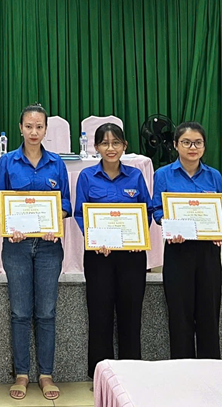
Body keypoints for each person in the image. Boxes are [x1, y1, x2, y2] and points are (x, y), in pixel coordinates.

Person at [0, 104, 71, 401]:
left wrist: (55, 220)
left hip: (49, 246)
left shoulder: (57, 163)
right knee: (20, 312)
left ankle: (46, 373)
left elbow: (66, 203)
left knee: (47, 312)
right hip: (17, 245)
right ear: (20, 128)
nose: (34, 132)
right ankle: (22, 373)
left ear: (46, 130)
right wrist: (10, 224)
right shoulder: (6, 162)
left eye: (39, 127)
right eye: (28, 126)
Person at [73, 123, 150, 379]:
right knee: (100, 315)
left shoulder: (135, 176)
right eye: (105, 143)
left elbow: (146, 211)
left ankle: (131, 374)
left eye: (116, 143)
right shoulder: (87, 177)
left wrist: (136, 236)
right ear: (96, 147)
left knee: (131, 314)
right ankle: (100, 375)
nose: (110, 148)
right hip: (99, 257)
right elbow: (80, 214)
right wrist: (95, 238)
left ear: (124, 146)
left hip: (132, 256)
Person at [150, 122, 222, 359]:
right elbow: (157, 210)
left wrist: (220, 229)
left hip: (208, 252)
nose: (192, 147)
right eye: (186, 142)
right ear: (175, 145)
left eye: (197, 143)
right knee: (179, 314)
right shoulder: (163, 174)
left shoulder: (214, 176)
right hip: (178, 250)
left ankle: (210, 367)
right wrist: (170, 225)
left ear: (204, 146)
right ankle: (182, 368)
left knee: (209, 313)